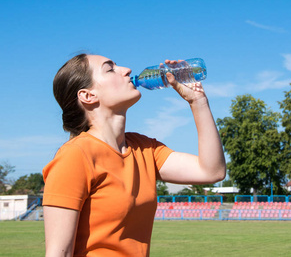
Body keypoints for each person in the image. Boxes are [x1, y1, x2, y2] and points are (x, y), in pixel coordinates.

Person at [42, 54, 226, 257]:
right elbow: (59, 253)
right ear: (88, 96)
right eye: (110, 69)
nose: (127, 69)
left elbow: (211, 171)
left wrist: (197, 101)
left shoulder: (144, 148)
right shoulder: (76, 156)